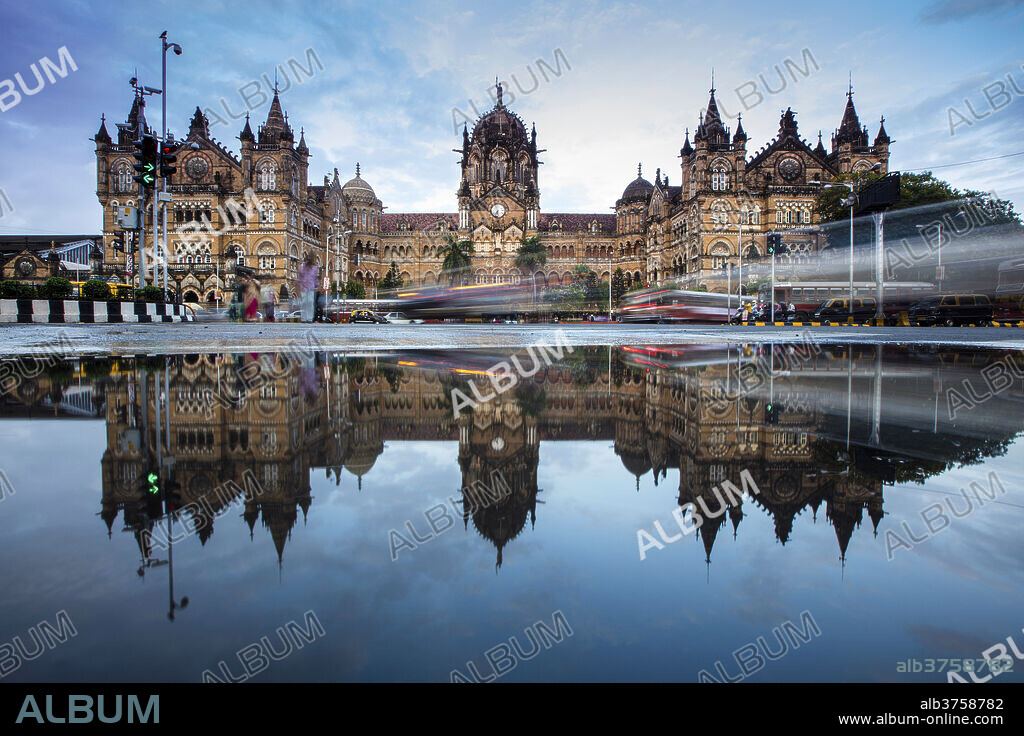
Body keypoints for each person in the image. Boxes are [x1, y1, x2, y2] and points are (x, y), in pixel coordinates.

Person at [297, 253, 319, 323]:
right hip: (304, 287)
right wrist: (299, 282)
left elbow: (315, 278)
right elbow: (300, 277)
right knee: (304, 303)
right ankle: (303, 318)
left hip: (311, 287)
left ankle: (309, 318)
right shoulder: (302, 267)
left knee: (310, 302)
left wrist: (316, 285)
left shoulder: (314, 268)